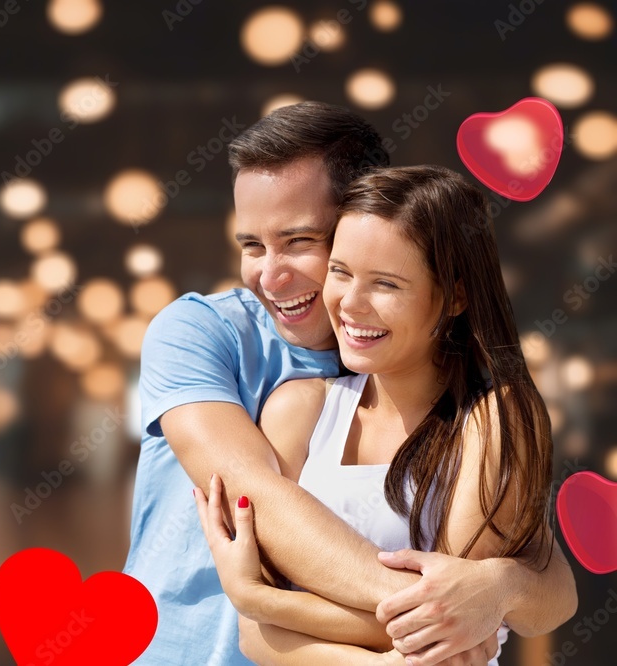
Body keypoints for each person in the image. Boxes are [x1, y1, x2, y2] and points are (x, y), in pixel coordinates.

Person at [124, 103, 578, 665]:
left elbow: (544, 573)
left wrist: (501, 588)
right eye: (251, 246)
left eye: (298, 241)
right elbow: (254, 495)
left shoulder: (415, 369)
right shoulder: (199, 331)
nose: (269, 275)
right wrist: (440, 611)